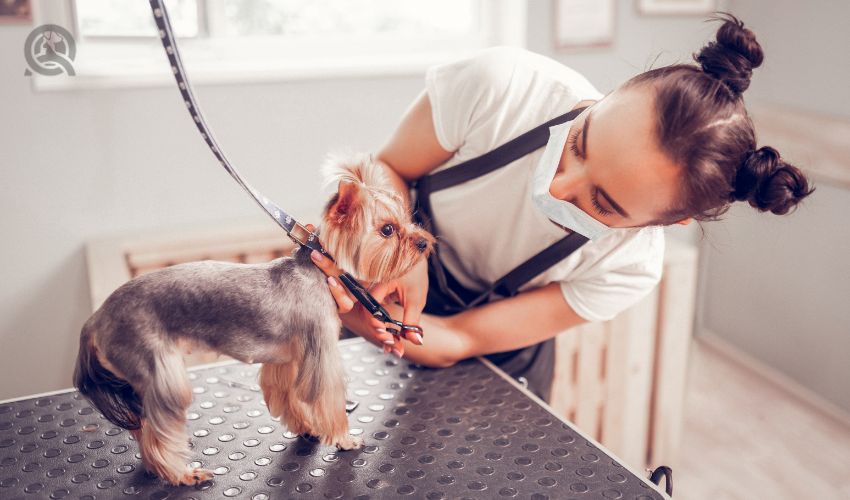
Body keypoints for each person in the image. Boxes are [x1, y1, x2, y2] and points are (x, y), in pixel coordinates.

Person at [309, 12, 813, 401]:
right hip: (385, 279)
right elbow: (388, 168)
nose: (557, 184)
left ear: (666, 223)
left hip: (491, 364)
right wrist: (405, 257)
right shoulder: (502, 86)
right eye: (579, 141)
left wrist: (364, 319)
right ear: (617, 91)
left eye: (600, 202)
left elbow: (459, 339)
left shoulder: (628, 268)